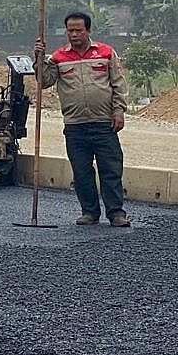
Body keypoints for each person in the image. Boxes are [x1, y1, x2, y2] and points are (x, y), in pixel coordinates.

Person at [35, 12, 130, 227]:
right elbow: (44, 81)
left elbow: (118, 84)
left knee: (111, 170)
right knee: (81, 172)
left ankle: (116, 214)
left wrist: (119, 111)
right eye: (71, 30)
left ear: (88, 31)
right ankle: (89, 212)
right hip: (75, 126)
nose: (75, 34)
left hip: (104, 123)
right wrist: (39, 59)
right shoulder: (58, 57)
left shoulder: (106, 53)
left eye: (79, 30)